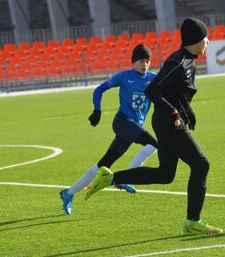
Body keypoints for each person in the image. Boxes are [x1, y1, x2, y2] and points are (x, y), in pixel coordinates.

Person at [84, 18, 223, 236]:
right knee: (201, 164)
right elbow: (153, 90)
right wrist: (174, 112)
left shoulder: (189, 61)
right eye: (206, 38)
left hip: (170, 121)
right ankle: (192, 221)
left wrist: (188, 111)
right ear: (196, 39)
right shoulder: (177, 62)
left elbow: (178, 92)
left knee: (165, 174)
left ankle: (111, 178)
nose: (208, 41)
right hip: (169, 123)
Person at [59, 44, 158, 215]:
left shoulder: (154, 78)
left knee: (102, 165)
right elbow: (100, 89)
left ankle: (68, 193)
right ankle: (125, 178)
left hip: (132, 128)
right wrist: (97, 110)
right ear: (134, 62)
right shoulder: (124, 76)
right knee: (152, 144)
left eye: (148, 61)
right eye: (141, 61)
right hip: (122, 122)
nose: (145, 64)